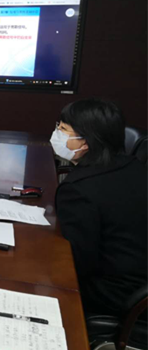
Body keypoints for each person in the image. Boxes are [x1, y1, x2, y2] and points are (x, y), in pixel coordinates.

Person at [52, 98, 148, 316]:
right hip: (138, 278)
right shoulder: (134, 166)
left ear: (86, 142)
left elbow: (76, 264)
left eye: (63, 129)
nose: (57, 133)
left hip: (114, 293)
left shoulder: (78, 189)